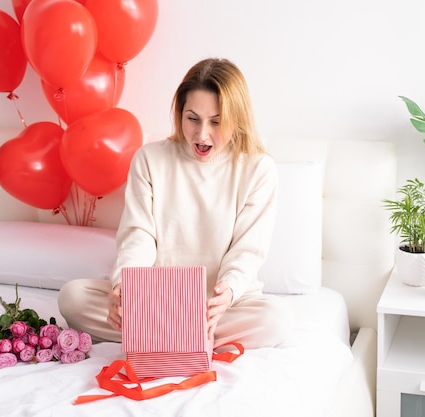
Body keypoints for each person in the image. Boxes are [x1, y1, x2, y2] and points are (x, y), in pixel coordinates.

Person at [58, 58, 292, 350]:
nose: (201, 134)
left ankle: (162, 335)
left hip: (215, 308)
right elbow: (138, 234)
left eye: (216, 122)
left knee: (275, 320)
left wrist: (227, 292)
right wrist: (124, 287)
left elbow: (247, 250)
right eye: (192, 118)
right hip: (154, 301)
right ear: (180, 112)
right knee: (72, 297)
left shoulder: (258, 168)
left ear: (237, 119)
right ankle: (185, 337)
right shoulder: (149, 159)